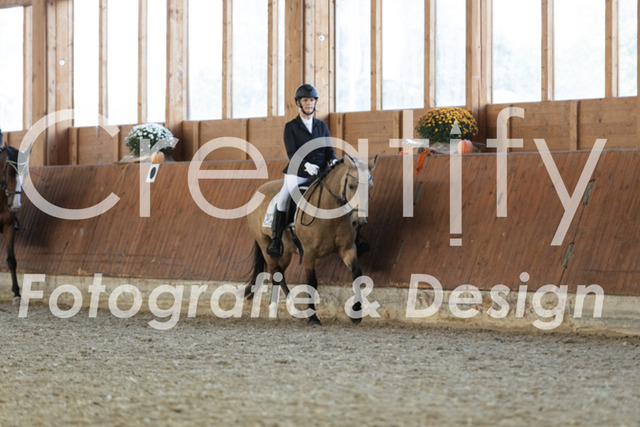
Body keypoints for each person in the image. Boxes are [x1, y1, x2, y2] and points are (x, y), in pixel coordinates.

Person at [266, 84, 338, 259]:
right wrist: (306, 165)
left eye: (312, 100)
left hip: (321, 172)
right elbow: (292, 153)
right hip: (298, 172)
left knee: (340, 192)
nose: (309, 103)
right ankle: (276, 240)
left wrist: (334, 160)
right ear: (299, 103)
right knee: (283, 198)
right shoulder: (291, 127)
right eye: (306, 100)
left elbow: (329, 149)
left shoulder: (322, 126)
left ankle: (353, 236)